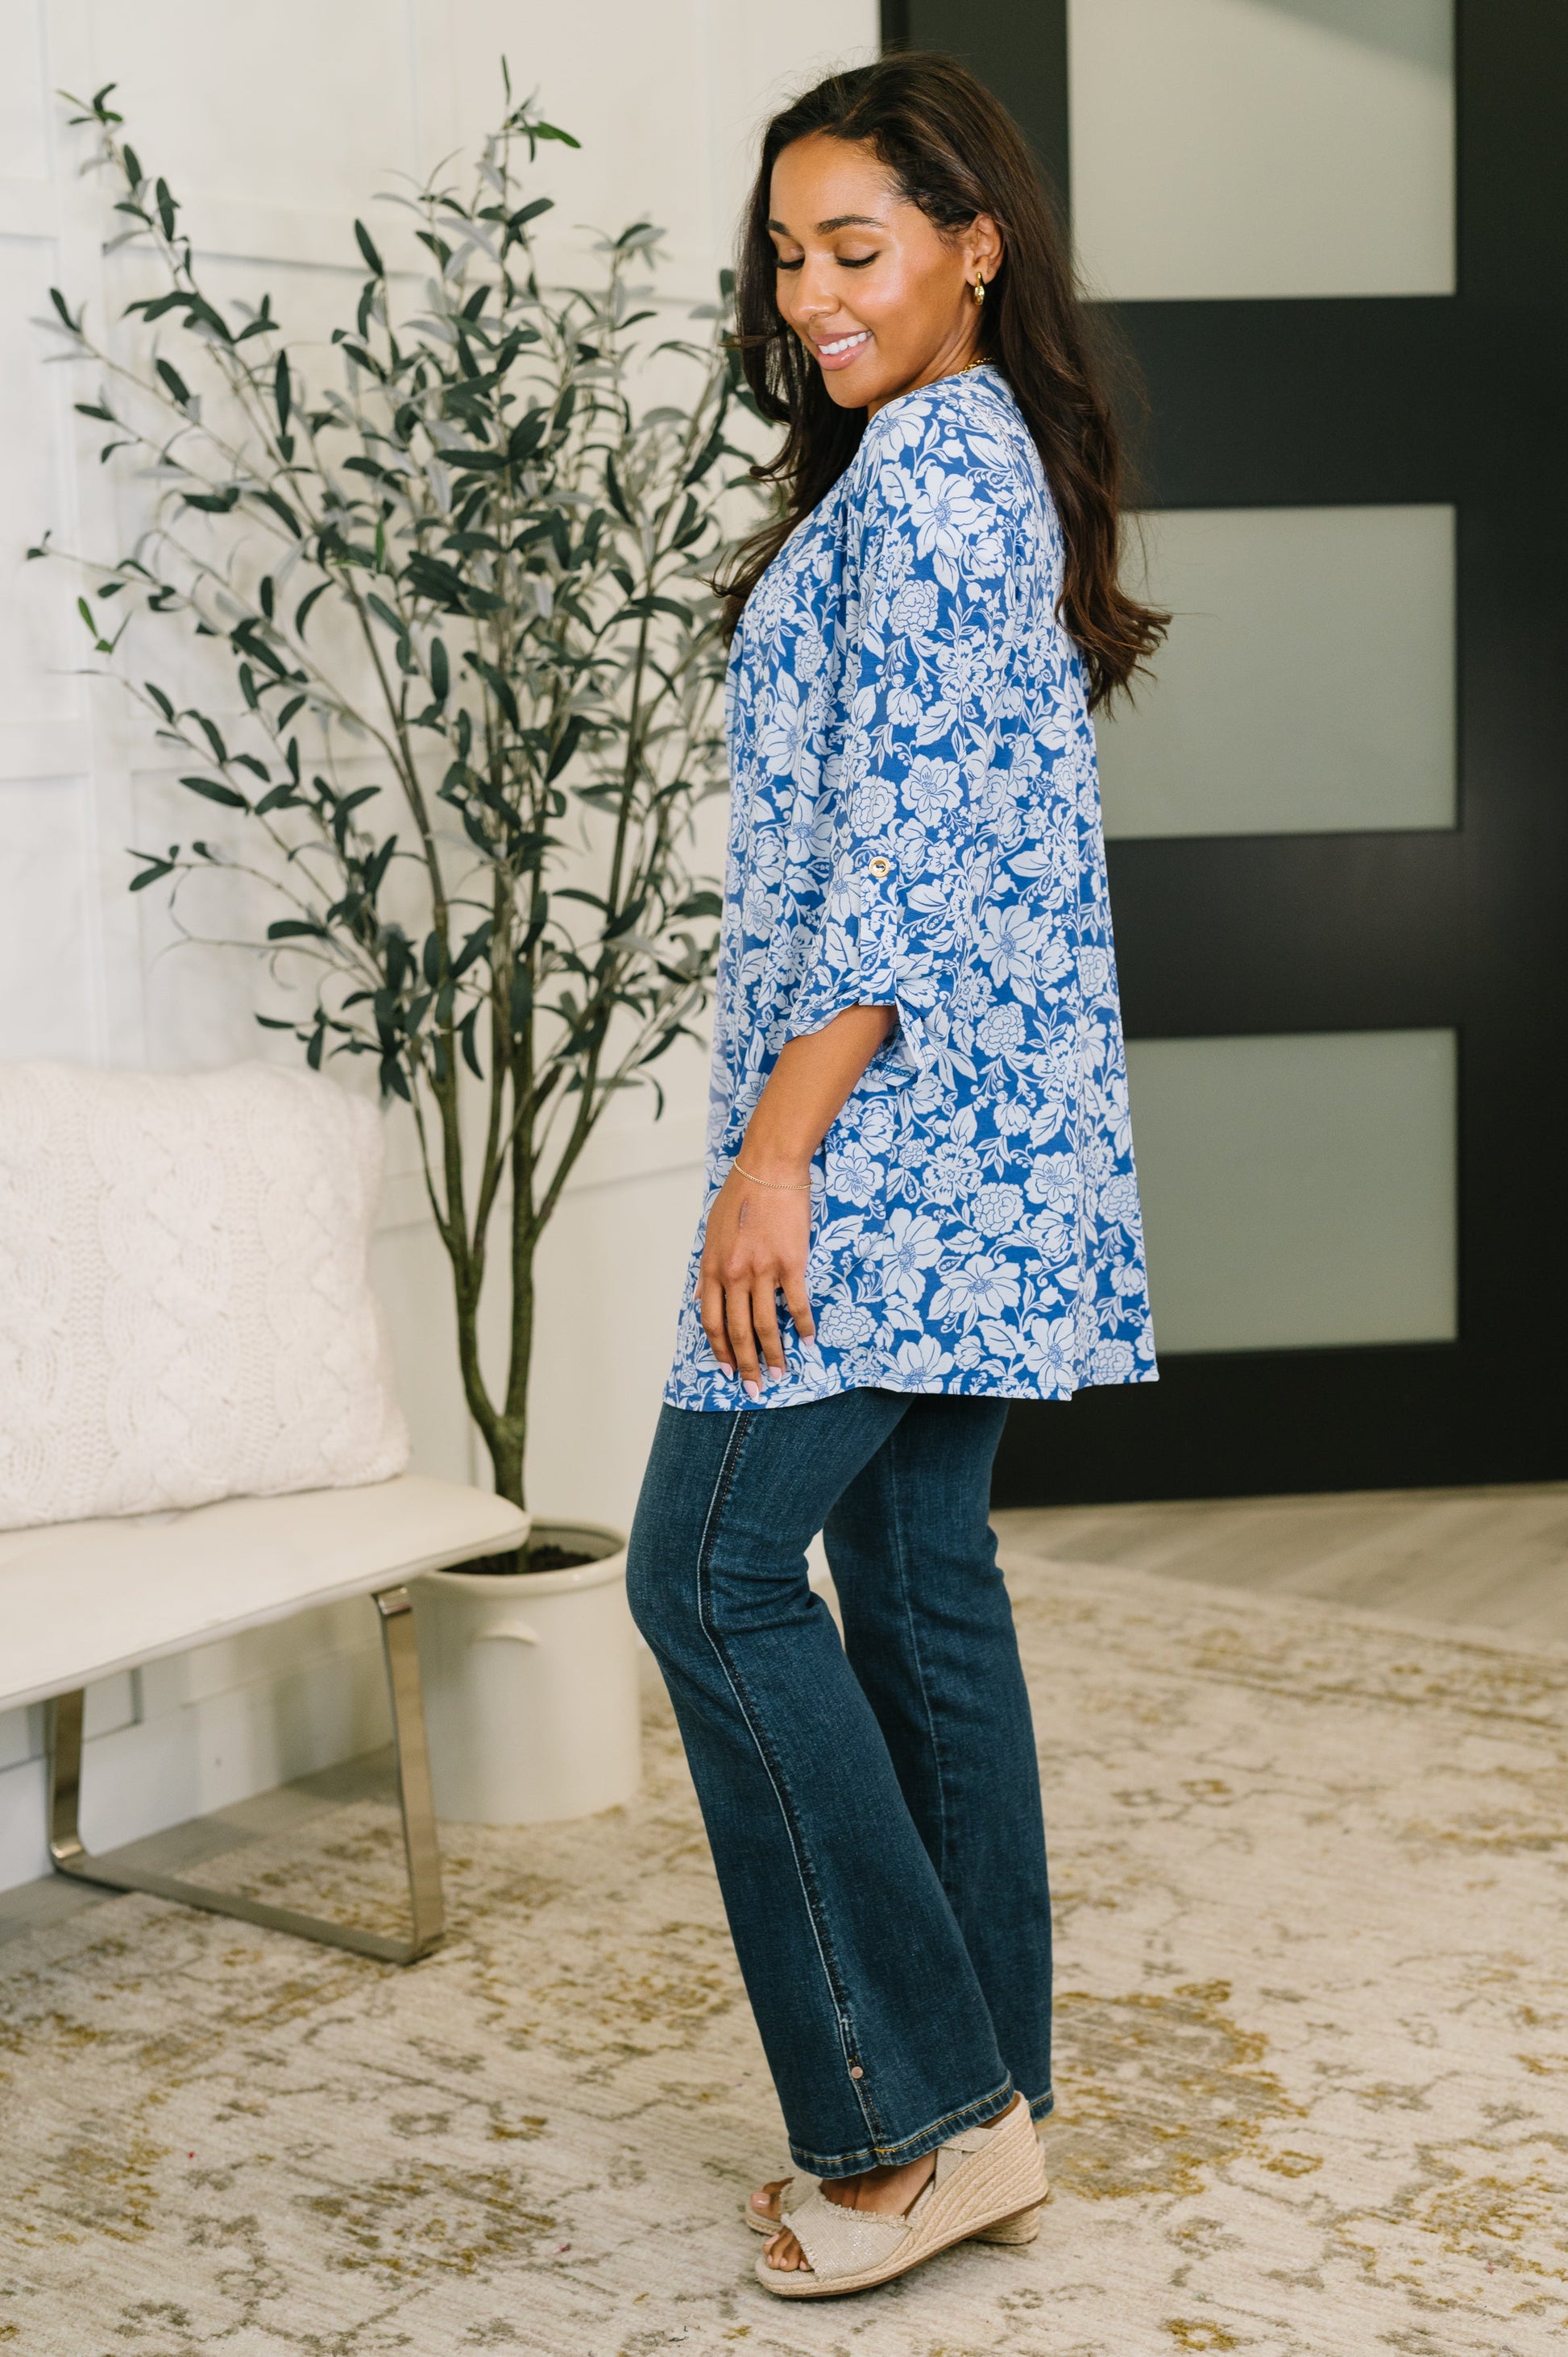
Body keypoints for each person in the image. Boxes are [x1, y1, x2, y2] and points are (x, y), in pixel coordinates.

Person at [625, 52, 1165, 2301]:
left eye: (854, 248)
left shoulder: (937, 477)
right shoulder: (960, 455)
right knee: (916, 1577)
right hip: (962, 1131)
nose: (810, 296)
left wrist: (775, 1158)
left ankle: (914, 2121)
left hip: (884, 1140)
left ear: (973, 245)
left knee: (708, 1570)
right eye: (785, 257)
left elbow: (906, 863)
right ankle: (984, 2116)